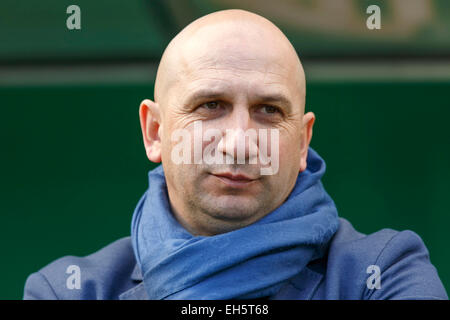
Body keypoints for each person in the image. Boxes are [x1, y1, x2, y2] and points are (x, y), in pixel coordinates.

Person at [24, 9, 448, 300]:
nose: (241, 143)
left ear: (302, 143)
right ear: (155, 132)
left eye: (269, 110)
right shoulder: (69, 289)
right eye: (210, 106)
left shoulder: (383, 274)